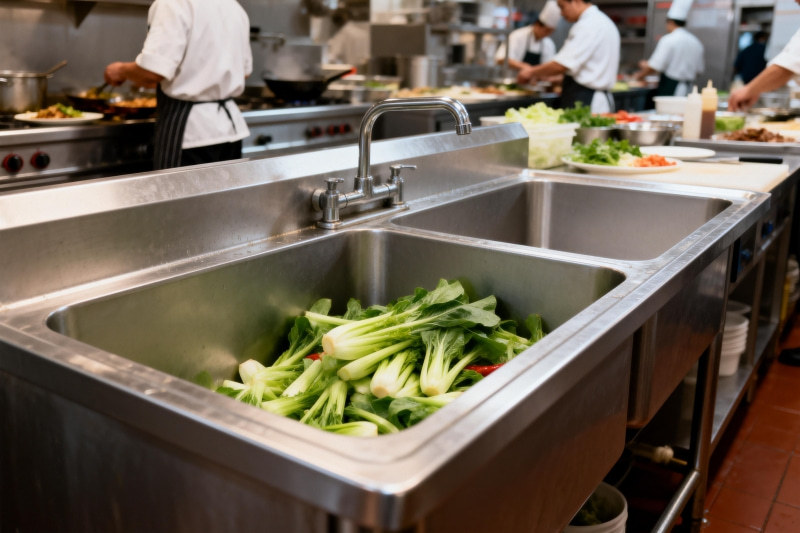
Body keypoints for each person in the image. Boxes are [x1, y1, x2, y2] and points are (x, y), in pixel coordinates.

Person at [104, 0, 252, 170]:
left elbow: (153, 72)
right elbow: (243, 72)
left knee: (180, 195)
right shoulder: (233, 7)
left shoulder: (172, 3)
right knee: (223, 196)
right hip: (230, 131)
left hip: (190, 133)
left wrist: (120, 70)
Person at [517, 0, 619, 113]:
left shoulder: (588, 24)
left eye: (562, 7)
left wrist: (530, 72)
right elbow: (590, 68)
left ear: (576, 1)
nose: (561, 13)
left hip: (587, 101)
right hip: (592, 98)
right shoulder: (601, 20)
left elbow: (561, 65)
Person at [728, 25, 800, 110]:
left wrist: (749, 89)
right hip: (761, 84)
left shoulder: (747, 49)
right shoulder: (765, 49)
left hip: (754, 83)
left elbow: (787, 66)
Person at [633, 17, 704, 96]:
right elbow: (699, 70)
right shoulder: (695, 41)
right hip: (689, 89)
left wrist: (640, 76)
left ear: (671, 23)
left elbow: (655, 66)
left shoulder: (668, 39)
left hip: (671, 88)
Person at [494, 1, 561, 71]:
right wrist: (524, 67)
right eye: (547, 31)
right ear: (537, 25)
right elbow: (501, 59)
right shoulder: (517, 36)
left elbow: (548, 68)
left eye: (551, 32)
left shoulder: (548, 43)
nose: (548, 34)